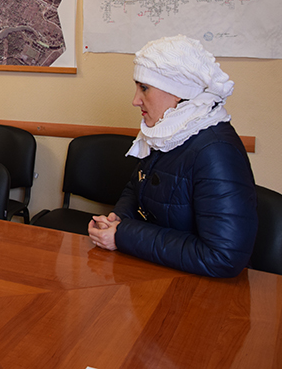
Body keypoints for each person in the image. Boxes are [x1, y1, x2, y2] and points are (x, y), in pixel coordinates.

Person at [88, 35, 257, 278]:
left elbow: (223, 257)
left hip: (200, 291)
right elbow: (137, 187)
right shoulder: (170, 131)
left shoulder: (217, 151)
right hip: (158, 273)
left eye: (144, 88)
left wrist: (123, 234)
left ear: (178, 92)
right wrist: (118, 219)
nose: (135, 100)